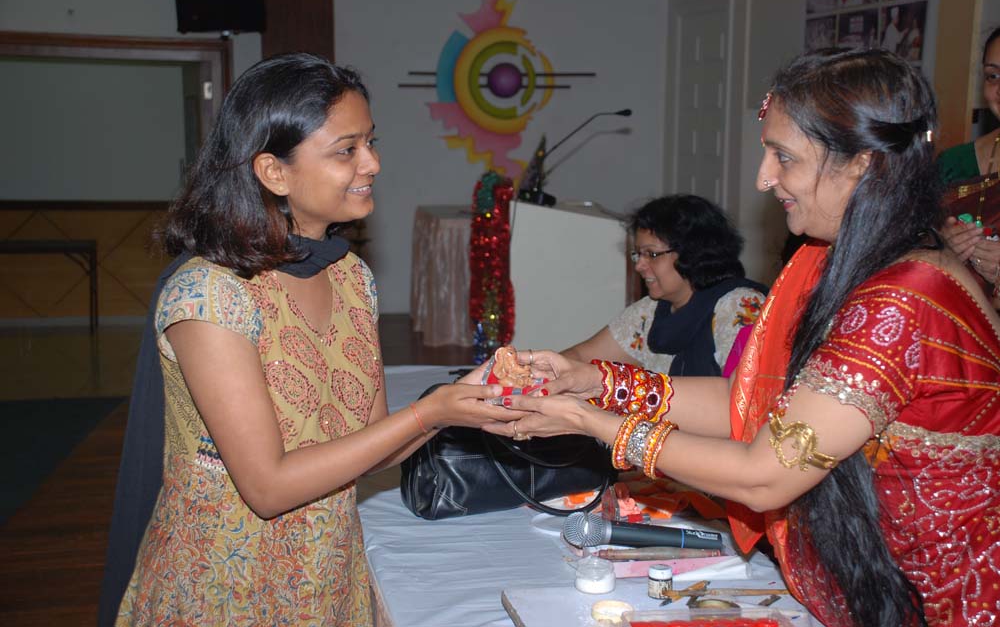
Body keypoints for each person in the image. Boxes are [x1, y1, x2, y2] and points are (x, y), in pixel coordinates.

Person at [492, 49, 1000, 627]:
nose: (763, 178)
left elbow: (764, 474)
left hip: (949, 605)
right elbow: (749, 403)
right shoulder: (851, 263)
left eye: (784, 157)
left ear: (861, 163)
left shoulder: (903, 297)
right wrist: (594, 382)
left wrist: (591, 423)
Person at [98, 53, 519, 626]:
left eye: (370, 141)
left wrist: (463, 400)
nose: (372, 162)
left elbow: (371, 443)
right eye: (347, 150)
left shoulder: (351, 277)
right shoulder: (212, 294)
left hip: (326, 578)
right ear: (273, 172)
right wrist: (430, 413)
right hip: (226, 586)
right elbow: (268, 487)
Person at [561, 194, 767, 376]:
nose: (639, 266)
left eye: (651, 254)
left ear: (692, 253)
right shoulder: (650, 311)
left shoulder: (740, 305)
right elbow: (581, 357)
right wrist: (546, 369)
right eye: (638, 254)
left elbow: (740, 395)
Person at [938, 27, 1000, 308]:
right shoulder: (954, 164)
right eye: (993, 75)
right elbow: (908, 251)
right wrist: (942, 248)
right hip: (956, 324)